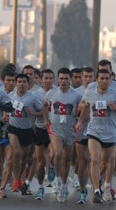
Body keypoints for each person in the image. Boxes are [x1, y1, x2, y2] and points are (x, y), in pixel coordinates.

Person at [76, 69, 116, 203]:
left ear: (110, 80)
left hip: (110, 133)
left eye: (107, 78)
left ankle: (99, 180)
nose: (104, 81)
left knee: (105, 163)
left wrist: (115, 108)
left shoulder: (115, 94)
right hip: (94, 131)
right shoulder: (90, 92)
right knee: (94, 159)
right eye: (102, 78)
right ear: (96, 80)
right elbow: (86, 106)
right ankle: (97, 190)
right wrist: (81, 121)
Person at [43, 67, 81, 203]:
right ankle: (57, 179)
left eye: (66, 79)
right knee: (58, 154)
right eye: (61, 79)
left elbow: (82, 112)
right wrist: (46, 119)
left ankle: (64, 185)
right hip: (55, 128)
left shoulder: (76, 96)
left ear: (70, 80)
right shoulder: (51, 93)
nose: (63, 81)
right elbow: (44, 104)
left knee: (66, 160)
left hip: (70, 130)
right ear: (57, 80)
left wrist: (78, 114)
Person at [6, 74, 43, 196]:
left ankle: (20, 181)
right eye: (19, 81)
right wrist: (3, 115)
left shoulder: (33, 98)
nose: (21, 84)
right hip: (13, 129)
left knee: (24, 160)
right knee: (16, 152)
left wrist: (32, 112)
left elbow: (43, 111)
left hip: (27, 130)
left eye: (24, 82)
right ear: (16, 83)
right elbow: (4, 108)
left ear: (28, 84)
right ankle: (16, 180)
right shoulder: (10, 96)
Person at [32, 69, 55, 200]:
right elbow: (35, 110)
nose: (48, 81)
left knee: (53, 154)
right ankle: (40, 187)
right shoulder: (35, 95)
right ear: (40, 80)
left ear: (54, 80)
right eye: (45, 78)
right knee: (40, 161)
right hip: (40, 128)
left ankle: (51, 168)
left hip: (55, 129)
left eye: (50, 78)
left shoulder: (57, 93)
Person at [74, 67, 95, 204]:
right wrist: (80, 117)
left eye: (90, 77)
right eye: (85, 76)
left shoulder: (99, 92)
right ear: (81, 78)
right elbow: (72, 113)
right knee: (83, 161)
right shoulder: (76, 93)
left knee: (94, 160)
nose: (87, 79)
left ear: (95, 78)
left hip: (96, 132)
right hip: (81, 132)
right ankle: (83, 189)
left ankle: (97, 185)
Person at [0, 70, 16, 198]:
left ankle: (2, 188)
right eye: (8, 80)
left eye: (13, 80)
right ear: (2, 81)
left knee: (10, 160)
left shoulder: (17, 95)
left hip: (12, 132)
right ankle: (0, 174)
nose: (11, 83)